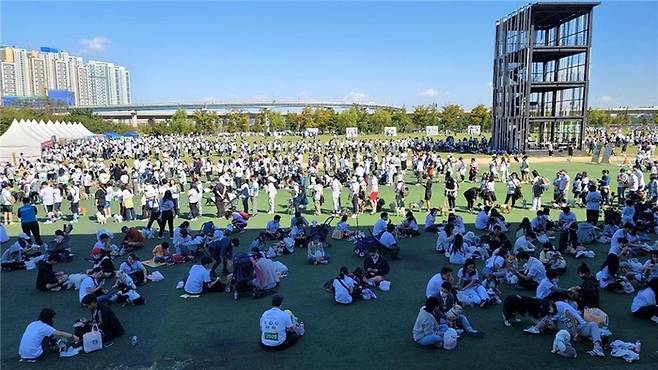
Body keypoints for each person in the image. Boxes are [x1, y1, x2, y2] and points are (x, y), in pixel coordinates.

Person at [525, 300, 606, 357]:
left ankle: (597, 348)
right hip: (565, 329)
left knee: (593, 325)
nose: (549, 311)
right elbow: (554, 325)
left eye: (548, 309)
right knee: (546, 320)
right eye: (547, 310)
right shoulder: (550, 312)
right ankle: (536, 328)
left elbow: (572, 318)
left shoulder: (559, 305)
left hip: (578, 326)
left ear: (550, 304)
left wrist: (575, 333)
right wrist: (550, 325)